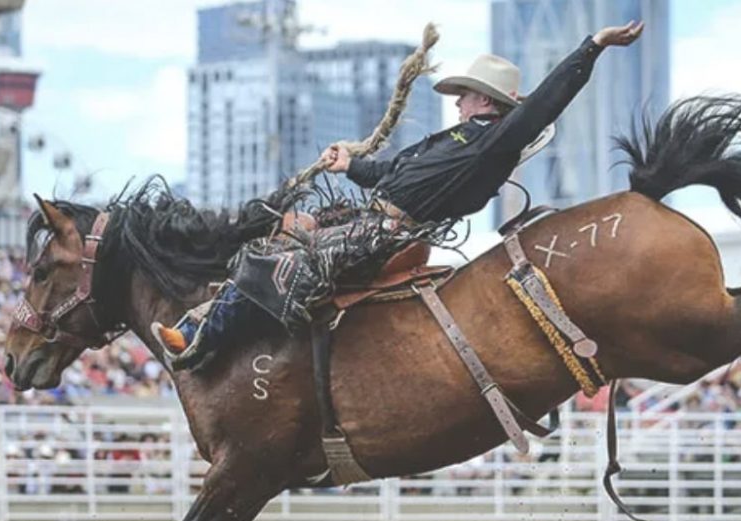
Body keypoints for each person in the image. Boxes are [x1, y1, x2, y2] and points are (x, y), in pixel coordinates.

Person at [152, 21, 645, 369]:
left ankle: (200, 339)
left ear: (487, 102)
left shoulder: (494, 141)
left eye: (466, 93)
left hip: (388, 233)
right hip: (371, 216)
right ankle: (212, 318)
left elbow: (544, 102)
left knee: (285, 261)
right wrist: (351, 165)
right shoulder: (458, 140)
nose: (457, 99)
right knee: (280, 228)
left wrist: (592, 47)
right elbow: (394, 171)